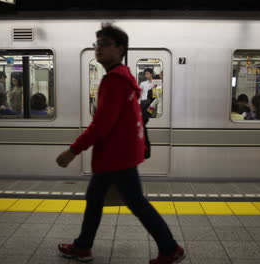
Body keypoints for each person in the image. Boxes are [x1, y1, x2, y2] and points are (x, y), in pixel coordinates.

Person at [56, 24, 185, 264]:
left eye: (105, 44)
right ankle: (83, 246)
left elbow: (101, 125)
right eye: (97, 44)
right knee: (96, 199)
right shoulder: (123, 77)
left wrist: (72, 151)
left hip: (116, 156)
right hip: (117, 154)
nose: (99, 48)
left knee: (135, 203)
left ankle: (170, 248)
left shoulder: (114, 81)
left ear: (120, 49)